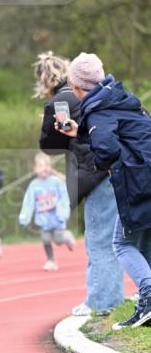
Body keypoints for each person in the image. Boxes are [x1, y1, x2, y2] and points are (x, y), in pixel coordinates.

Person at [63, 52, 151, 329]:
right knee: (145, 243)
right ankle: (147, 305)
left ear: (76, 85)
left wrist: (106, 166)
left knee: (122, 244)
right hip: (147, 174)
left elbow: (107, 149)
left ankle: (148, 297)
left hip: (137, 181)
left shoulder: (97, 110)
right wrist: (81, 131)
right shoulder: (122, 98)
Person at [35, 50, 124, 314]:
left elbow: (49, 147)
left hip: (98, 174)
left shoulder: (59, 102)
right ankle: (112, 297)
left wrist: (48, 125)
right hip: (122, 169)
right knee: (119, 239)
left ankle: (103, 303)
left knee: (99, 240)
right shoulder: (107, 91)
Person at [19, 152, 75, 270]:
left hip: (57, 219)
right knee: (46, 239)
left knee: (58, 241)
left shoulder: (56, 182)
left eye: (46, 165)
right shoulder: (33, 185)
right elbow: (28, 202)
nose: (44, 168)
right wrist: (24, 217)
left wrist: (63, 213)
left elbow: (64, 198)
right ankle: (51, 260)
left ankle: (67, 237)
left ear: (50, 167)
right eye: (40, 165)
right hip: (43, 221)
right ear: (35, 169)